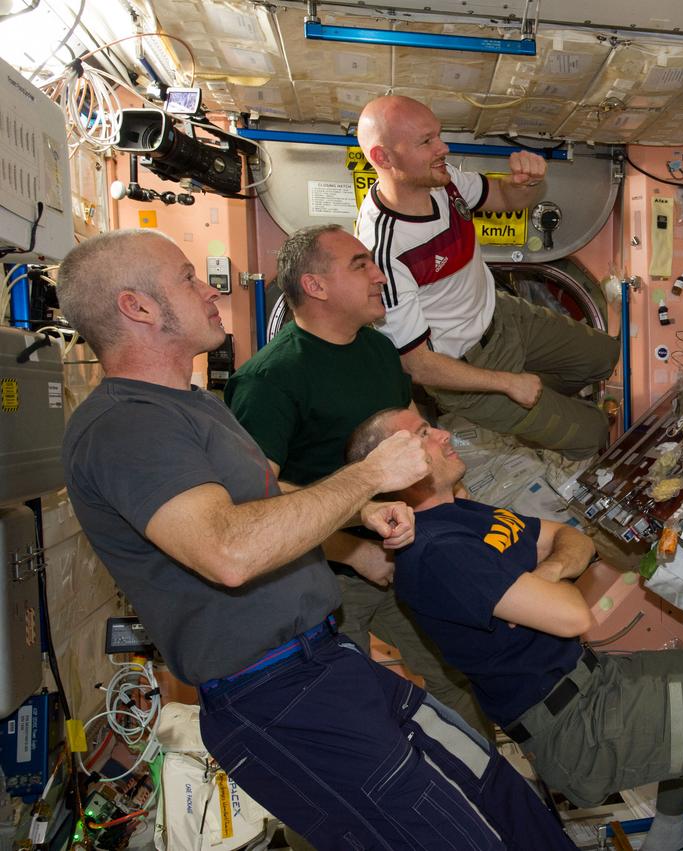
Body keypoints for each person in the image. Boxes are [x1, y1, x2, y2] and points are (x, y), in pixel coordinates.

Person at [58, 229, 575, 851]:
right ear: (136, 308)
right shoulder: (125, 426)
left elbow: (267, 510)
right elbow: (227, 551)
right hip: (278, 696)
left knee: (499, 795)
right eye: (186, 278)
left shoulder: (195, 406)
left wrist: (354, 524)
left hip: (327, 663)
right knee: (456, 837)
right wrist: (369, 476)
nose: (207, 288)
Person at [347, 407, 683, 851]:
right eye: (424, 434)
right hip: (578, 729)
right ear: (392, 468)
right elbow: (574, 617)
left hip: (591, 681)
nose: (445, 434)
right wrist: (550, 579)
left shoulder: (462, 514)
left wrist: (549, 573)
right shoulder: (438, 552)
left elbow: (570, 537)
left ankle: (671, 833)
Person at [225, 224, 491, 738]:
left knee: (461, 682)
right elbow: (254, 500)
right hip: (326, 574)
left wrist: (457, 500)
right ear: (316, 286)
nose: (378, 275)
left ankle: (484, 798)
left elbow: (414, 428)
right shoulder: (269, 380)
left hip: (409, 549)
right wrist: (353, 552)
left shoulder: (377, 350)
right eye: (360, 265)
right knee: (340, 718)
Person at [354, 94, 619, 460]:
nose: (442, 147)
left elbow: (503, 198)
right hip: (470, 372)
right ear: (383, 157)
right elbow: (416, 365)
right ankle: (544, 421)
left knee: (607, 356)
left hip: (507, 318)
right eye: (426, 141)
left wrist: (525, 184)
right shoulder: (383, 251)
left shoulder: (443, 183)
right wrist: (507, 384)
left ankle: (545, 408)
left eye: (439, 135)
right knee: (592, 434)